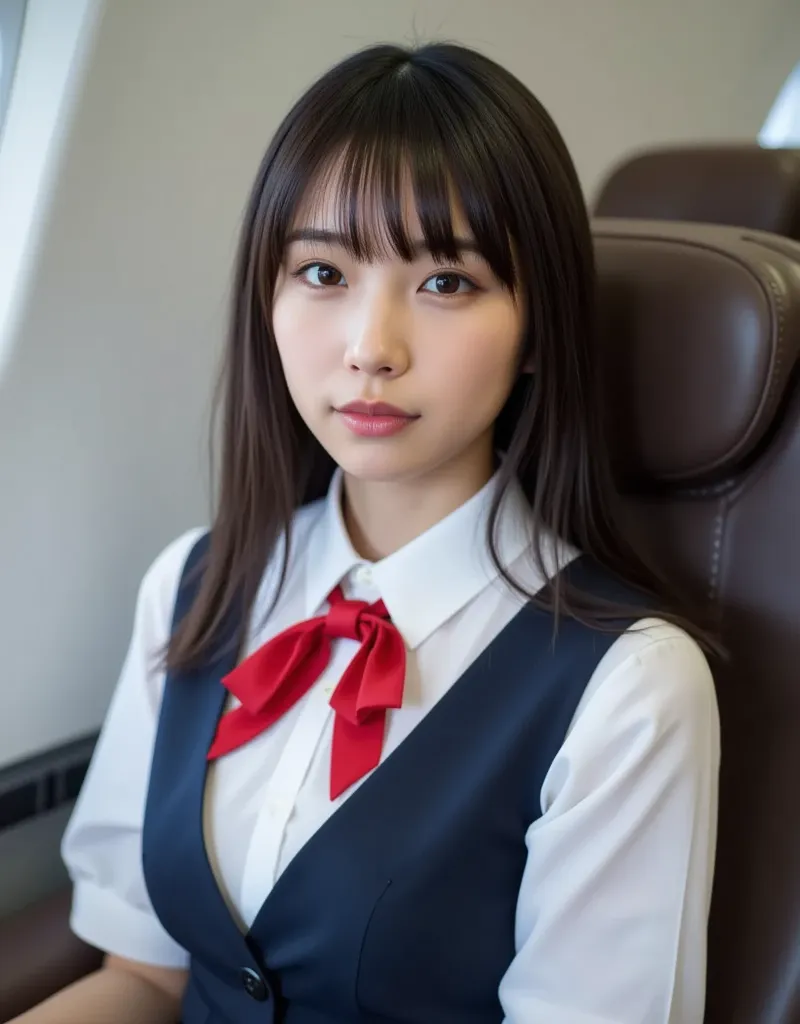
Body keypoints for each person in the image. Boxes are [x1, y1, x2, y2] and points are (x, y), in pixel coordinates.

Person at [15, 41, 720, 1024]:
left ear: (534, 329)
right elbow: (143, 978)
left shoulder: (629, 688)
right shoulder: (193, 582)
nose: (369, 349)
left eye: (444, 282)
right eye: (321, 270)